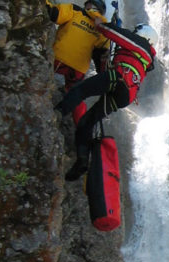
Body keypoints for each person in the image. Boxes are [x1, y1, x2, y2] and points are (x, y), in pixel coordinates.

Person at [55, 19, 158, 180]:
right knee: (86, 122)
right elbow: (104, 73)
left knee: (80, 89)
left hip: (119, 79)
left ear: (144, 35)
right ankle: (82, 161)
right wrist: (104, 60)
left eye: (136, 31)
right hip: (124, 95)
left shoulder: (142, 45)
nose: (134, 32)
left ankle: (57, 113)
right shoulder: (144, 57)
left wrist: (101, 25)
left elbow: (118, 35)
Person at [48, 0, 119, 98]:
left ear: (91, 6)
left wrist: (44, 2)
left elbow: (54, 14)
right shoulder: (103, 28)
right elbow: (100, 56)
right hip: (78, 70)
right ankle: (68, 96)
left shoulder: (75, 10)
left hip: (58, 58)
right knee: (75, 93)